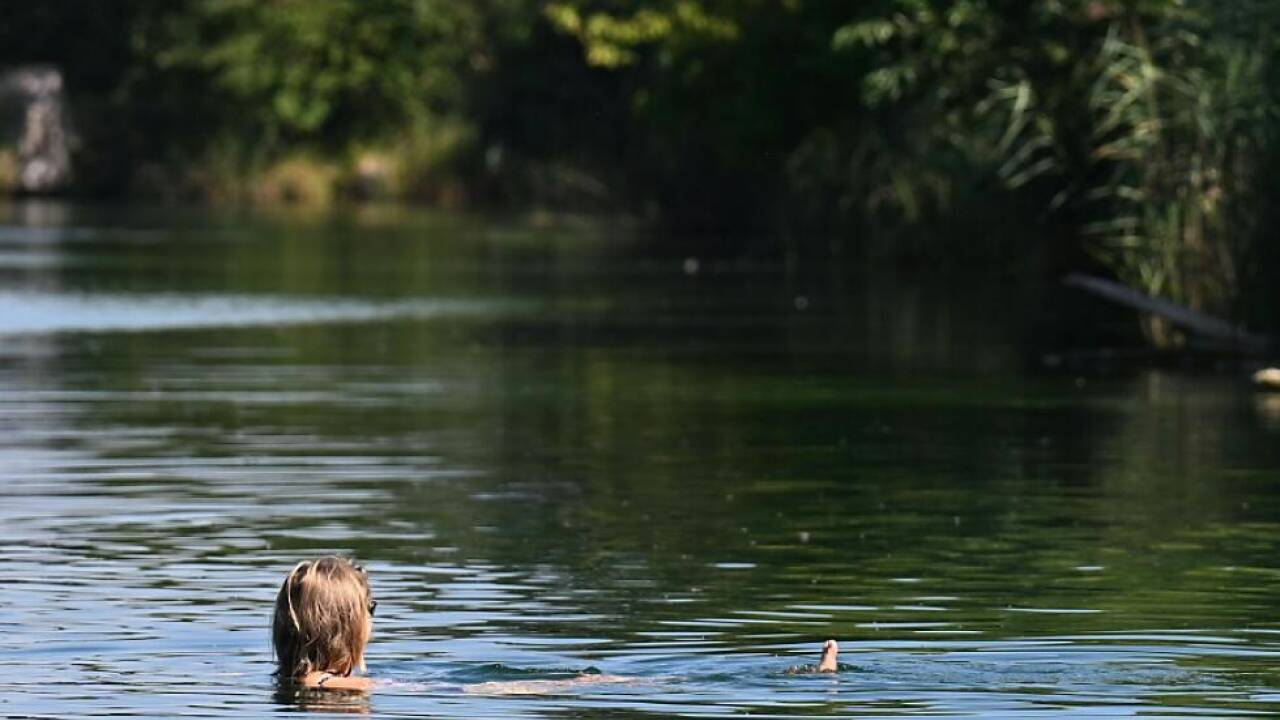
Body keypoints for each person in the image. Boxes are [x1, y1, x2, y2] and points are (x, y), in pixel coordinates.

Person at [272, 556, 376, 691]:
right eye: (369, 609)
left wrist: (354, 658)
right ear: (347, 625)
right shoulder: (341, 684)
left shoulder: (291, 677)